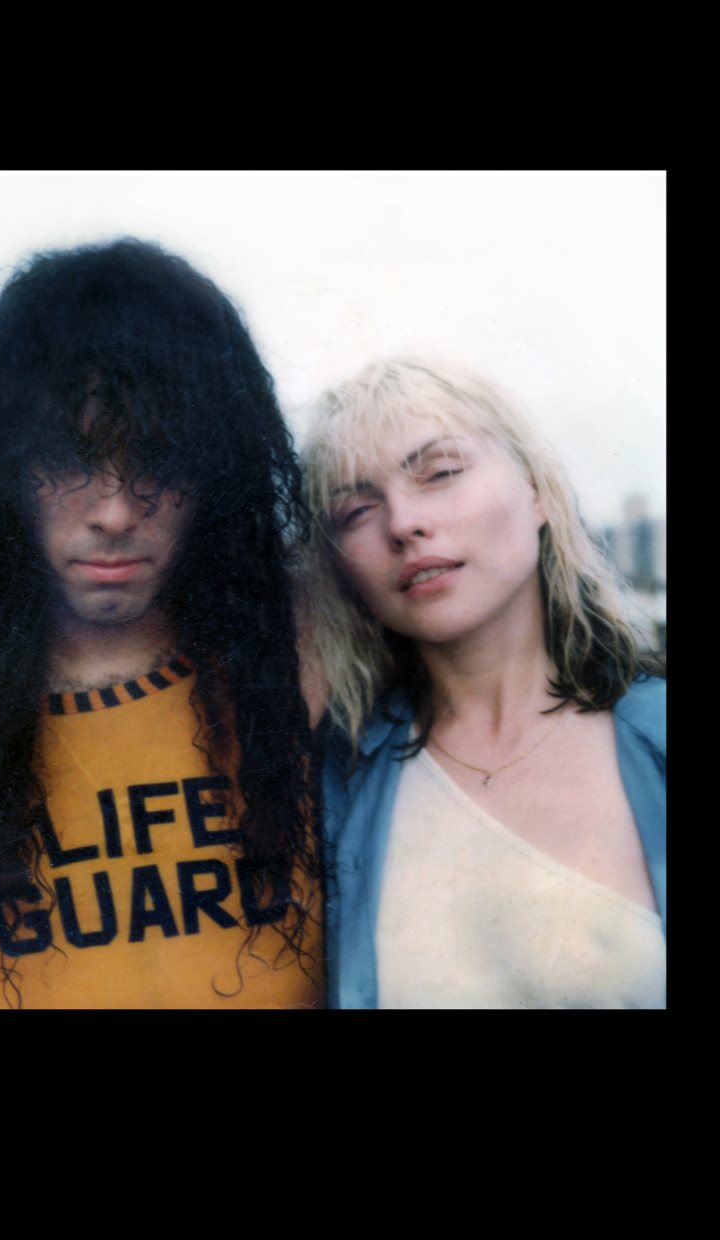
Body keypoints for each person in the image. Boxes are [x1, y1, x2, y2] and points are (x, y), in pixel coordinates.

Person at [0, 239, 323, 1010]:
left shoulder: (307, 656)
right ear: (5, 467)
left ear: (218, 469)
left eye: (158, 462)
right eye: (70, 458)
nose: (116, 513)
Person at [300, 357, 665, 1009]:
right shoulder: (334, 783)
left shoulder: (654, 740)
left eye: (440, 473)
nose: (403, 523)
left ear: (538, 492)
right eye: (356, 510)